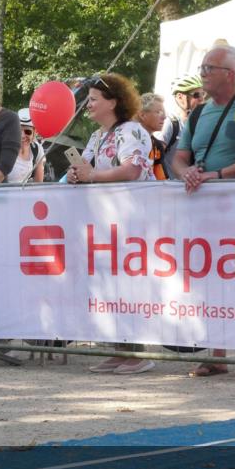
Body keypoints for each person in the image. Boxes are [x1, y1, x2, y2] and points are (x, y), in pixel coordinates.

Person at [170, 45, 235, 377]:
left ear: (230, 75)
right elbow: (179, 157)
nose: (202, 73)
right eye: (202, 67)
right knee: (211, 278)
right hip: (204, 209)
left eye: (209, 68)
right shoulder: (195, 113)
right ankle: (218, 354)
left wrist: (217, 175)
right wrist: (186, 173)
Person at [66, 73, 154, 375]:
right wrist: (77, 175)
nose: (87, 104)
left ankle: (136, 352)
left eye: (93, 99)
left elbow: (133, 169)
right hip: (105, 221)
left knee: (128, 284)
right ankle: (120, 349)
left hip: (131, 219)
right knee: (108, 284)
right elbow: (85, 168)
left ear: (113, 102)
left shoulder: (130, 130)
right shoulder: (97, 136)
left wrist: (91, 176)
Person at [157, 74, 205, 171]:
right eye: (196, 95)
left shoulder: (200, 123)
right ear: (180, 97)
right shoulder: (170, 123)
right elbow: (155, 156)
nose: (201, 99)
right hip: (169, 184)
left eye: (203, 94)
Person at [5, 108, 45, 184]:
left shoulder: (36, 149)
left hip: (23, 194)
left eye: (27, 132)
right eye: (19, 130)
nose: (22, 136)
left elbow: (38, 184)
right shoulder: (5, 147)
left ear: (35, 132)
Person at [138, 93, 168, 180]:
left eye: (164, 112)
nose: (164, 117)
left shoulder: (157, 146)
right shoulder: (127, 140)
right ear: (142, 115)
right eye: (158, 112)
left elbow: (162, 182)